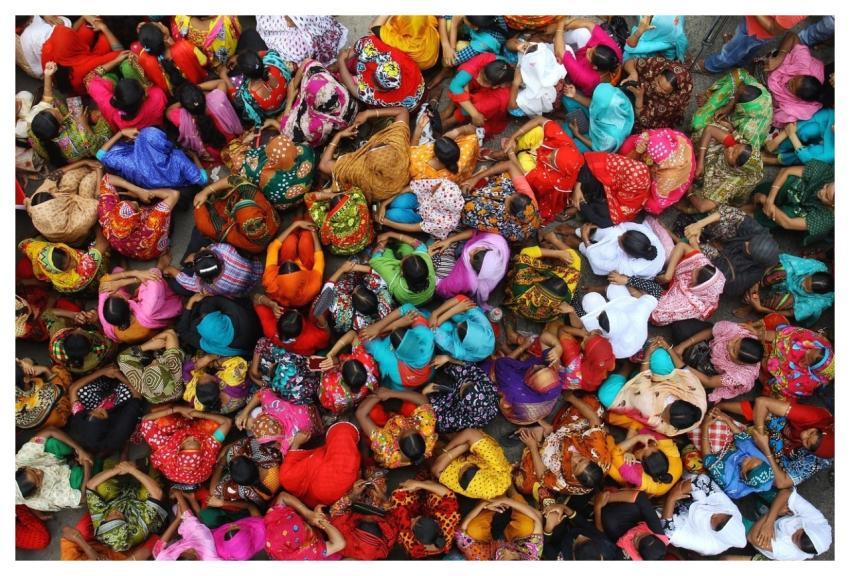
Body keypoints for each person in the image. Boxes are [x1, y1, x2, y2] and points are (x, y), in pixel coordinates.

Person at [515, 393, 612, 496]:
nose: (574, 459)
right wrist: (571, 398)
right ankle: (547, 432)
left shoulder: (565, 483)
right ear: (591, 459)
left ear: (573, 476)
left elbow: (542, 475)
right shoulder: (597, 453)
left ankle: (544, 436)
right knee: (591, 403)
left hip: (555, 456)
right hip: (574, 433)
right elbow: (593, 419)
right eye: (581, 460)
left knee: (525, 485)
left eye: (574, 466)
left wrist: (533, 447)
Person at [601, 347, 707, 437]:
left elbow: (642, 381)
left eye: (665, 417)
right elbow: (685, 372)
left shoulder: (650, 412)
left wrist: (647, 356)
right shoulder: (698, 400)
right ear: (678, 401)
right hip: (666, 380)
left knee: (605, 396)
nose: (662, 414)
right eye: (667, 409)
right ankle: (638, 369)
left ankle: (628, 367)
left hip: (639, 393)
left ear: (672, 425)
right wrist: (669, 348)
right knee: (659, 355)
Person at [678, 205, 780, 297]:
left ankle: (686, 244)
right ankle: (700, 232)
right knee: (727, 219)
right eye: (750, 242)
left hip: (718, 264)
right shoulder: (760, 235)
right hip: (725, 244)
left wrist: (693, 241)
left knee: (705, 264)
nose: (746, 243)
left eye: (749, 247)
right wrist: (699, 225)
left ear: (753, 258)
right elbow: (733, 212)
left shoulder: (749, 275)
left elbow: (712, 275)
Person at [319, 106, 411, 202]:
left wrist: (339, 135)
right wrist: (368, 113)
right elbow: (403, 111)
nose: (373, 143)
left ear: (368, 162)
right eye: (381, 144)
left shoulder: (360, 173)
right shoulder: (398, 148)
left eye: (371, 148)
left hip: (354, 154)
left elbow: (323, 164)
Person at [29, 64, 112, 166]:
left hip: (65, 140)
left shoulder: (35, 129)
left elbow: (47, 98)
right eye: (57, 113)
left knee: (63, 104)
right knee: (99, 115)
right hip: (87, 141)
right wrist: (84, 124)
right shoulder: (81, 139)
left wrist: (47, 75)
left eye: (50, 109)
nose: (55, 109)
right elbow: (100, 145)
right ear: (61, 128)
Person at [700, 410, 793, 499]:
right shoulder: (764, 466)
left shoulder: (727, 478)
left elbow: (708, 459)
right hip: (730, 449)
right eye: (754, 458)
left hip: (718, 459)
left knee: (697, 453)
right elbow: (744, 440)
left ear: (743, 475)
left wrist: (705, 426)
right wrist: (726, 419)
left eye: (747, 463)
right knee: (723, 422)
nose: (748, 458)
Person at [508, 116, 583, 224]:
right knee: (538, 130)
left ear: (558, 169)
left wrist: (511, 154)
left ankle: (510, 150)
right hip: (539, 153)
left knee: (524, 166)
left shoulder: (552, 180)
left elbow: (523, 174)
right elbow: (540, 119)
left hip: (536, 167)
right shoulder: (566, 144)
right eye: (553, 153)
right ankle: (512, 145)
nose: (548, 157)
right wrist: (512, 138)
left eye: (551, 161)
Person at [670, 320, 763, 402]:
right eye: (736, 341)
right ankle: (688, 361)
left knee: (695, 400)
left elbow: (709, 381)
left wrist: (681, 365)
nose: (730, 344)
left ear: (740, 363)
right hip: (710, 346)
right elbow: (711, 332)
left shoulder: (742, 375)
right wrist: (682, 346)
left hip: (713, 374)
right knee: (679, 327)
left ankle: (688, 366)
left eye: (733, 351)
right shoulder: (741, 331)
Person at [140, 406, 230, 489]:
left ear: (180, 447)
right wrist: (198, 414)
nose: (191, 437)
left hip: (174, 467)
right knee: (214, 425)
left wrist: (177, 409)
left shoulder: (165, 449)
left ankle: (174, 408)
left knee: (163, 421)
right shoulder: (209, 449)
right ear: (202, 448)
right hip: (197, 475)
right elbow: (227, 422)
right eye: (195, 441)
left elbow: (146, 420)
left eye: (188, 441)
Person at [85, 461, 168, 552]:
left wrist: (117, 469)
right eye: (118, 516)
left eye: (110, 516)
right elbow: (157, 493)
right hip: (141, 506)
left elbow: (90, 485)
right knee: (148, 492)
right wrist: (132, 470)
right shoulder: (138, 529)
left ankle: (118, 461)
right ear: (126, 524)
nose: (114, 512)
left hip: (120, 499)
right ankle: (154, 463)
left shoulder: (100, 524)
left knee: (101, 487)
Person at [96, 127, 209, 193]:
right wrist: (194, 157)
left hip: (151, 187)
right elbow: (203, 180)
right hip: (178, 187)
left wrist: (121, 132)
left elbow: (100, 154)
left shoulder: (129, 163)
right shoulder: (178, 158)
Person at [223, 130, 316, 211]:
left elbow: (245, 168)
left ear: (272, 161)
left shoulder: (267, 177)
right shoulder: (306, 150)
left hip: (280, 205)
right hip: (300, 197)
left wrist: (245, 144)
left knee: (231, 156)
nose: (270, 138)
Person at [276, 58, 358, 148]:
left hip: (321, 118)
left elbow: (287, 133)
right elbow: (309, 63)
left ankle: (295, 91)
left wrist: (290, 99)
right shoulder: (345, 94)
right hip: (331, 107)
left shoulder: (312, 126)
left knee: (284, 123)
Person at [279, 422, 362, 508]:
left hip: (308, 498)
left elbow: (285, 477)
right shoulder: (352, 469)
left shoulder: (316, 462)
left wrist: (296, 443)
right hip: (319, 505)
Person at [751, 161, 834, 247]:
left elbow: (788, 223)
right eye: (827, 186)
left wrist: (764, 201)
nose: (822, 191)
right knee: (791, 179)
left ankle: (755, 216)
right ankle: (759, 200)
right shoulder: (827, 174)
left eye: (826, 196)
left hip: (799, 213)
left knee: (786, 215)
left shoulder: (827, 219)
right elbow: (787, 171)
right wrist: (770, 199)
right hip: (797, 193)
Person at [66, 365, 144, 456]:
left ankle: (107, 380)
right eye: (101, 414)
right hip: (120, 411)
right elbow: (137, 395)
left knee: (81, 391)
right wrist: (120, 376)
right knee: (128, 392)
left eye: (91, 412)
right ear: (106, 424)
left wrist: (103, 371)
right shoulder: (120, 430)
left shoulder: (81, 421)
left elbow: (73, 389)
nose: (98, 409)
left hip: (105, 398)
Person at [96, 175, 178, 261]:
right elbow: (174, 194)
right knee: (170, 200)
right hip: (151, 247)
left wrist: (138, 191)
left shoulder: (107, 215)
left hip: (129, 250)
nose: (134, 202)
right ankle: (164, 251)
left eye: (128, 202)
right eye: (136, 208)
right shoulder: (151, 228)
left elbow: (107, 178)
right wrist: (146, 192)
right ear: (137, 223)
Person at [661, 475, 747, 556]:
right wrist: (679, 491)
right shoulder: (733, 512)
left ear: (715, 533)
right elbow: (703, 480)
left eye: (715, 522)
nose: (715, 515)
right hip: (695, 502)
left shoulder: (709, 546)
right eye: (723, 515)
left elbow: (669, 533)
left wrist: (671, 499)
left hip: (682, 521)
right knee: (692, 475)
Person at [685, 124, 763, 213]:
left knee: (707, 203)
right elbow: (710, 129)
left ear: (735, 166)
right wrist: (700, 162)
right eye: (735, 147)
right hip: (718, 163)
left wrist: (690, 193)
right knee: (708, 137)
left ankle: (685, 207)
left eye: (732, 153)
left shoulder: (731, 184)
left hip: (727, 180)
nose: (730, 148)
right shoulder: (737, 147)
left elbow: (703, 207)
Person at [459, 158, 541, 243]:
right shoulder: (529, 202)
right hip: (510, 214)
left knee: (470, 208)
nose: (507, 197)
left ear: (508, 212)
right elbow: (510, 165)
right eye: (512, 195)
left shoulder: (506, 227)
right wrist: (476, 178)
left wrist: (464, 196)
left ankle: (468, 197)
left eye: (508, 200)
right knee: (504, 170)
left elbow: (478, 227)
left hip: (499, 219)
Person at [356, 387, 437, 469]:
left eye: (403, 430)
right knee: (411, 405)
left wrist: (379, 395)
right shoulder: (427, 432)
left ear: (397, 443)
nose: (405, 426)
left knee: (373, 413)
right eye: (411, 428)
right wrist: (390, 393)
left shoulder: (386, 447)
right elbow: (423, 400)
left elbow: (360, 414)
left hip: (383, 429)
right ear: (422, 435)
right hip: (399, 419)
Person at [744, 253, 834, 326]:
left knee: (785, 301)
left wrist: (760, 308)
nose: (802, 284)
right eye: (806, 280)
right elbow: (780, 259)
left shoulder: (815, 304)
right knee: (780, 271)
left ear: (814, 293)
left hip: (795, 298)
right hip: (790, 280)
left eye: (806, 287)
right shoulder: (815, 266)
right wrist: (757, 280)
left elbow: (790, 313)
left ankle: (755, 304)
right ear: (812, 274)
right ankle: (759, 283)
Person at [691, 69, 773, 149]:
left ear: (741, 107)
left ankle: (712, 104)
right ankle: (709, 97)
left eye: (737, 99)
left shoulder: (749, 129)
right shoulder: (762, 93)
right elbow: (741, 77)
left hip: (735, 133)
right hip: (736, 111)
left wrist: (729, 127)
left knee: (697, 123)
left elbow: (741, 148)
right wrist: (730, 105)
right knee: (738, 75)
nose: (735, 97)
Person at [338, 35, 425, 110]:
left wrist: (341, 61)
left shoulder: (381, 97)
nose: (375, 87)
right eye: (375, 79)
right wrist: (349, 55)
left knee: (351, 70)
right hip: (420, 90)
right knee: (358, 59)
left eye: (379, 87)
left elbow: (352, 87)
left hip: (410, 106)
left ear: (392, 89)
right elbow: (363, 43)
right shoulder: (404, 61)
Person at [166, 83, 243, 167]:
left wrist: (187, 101)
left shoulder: (181, 118)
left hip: (214, 158)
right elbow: (220, 82)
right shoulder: (217, 100)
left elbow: (168, 110)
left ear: (184, 107)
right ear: (203, 96)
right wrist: (197, 91)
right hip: (233, 145)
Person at [38, 17, 123, 94]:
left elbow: (68, 33)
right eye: (73, 35)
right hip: (80, 78)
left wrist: (84, 17)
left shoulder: (48, 49)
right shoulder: (80, 69)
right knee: (105, 40)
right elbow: (120, 53)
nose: (73, 33)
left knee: (87, 27)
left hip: (71, 59)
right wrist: (104, 28)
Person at [15, 426, 92, 512]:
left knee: (52, 443)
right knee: (77, 478)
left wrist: (80, 449)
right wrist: (86, 463)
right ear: (37, 487)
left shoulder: (22, 459)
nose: (39, 471)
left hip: (54, 460)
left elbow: (50, 431)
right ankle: (94, 462)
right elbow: (82, 499)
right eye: (38, 478)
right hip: (64, 481)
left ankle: (74, 452)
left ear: (23, 467)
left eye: (33, 470)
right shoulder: (46, 498)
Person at [621, 128, 695, 215]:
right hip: (657, 160)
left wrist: (647, 174)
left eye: (656, 163)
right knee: (628, 144)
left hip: (665, 184)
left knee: (652, 205)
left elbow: (658, 192)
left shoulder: (669, 175)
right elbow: (648, 135)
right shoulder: (666, 137)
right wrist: (639, 148)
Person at [360, 304, 435, 390]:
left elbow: (364, 338)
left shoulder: (392, 364)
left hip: (403, 385)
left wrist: (381, 327)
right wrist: (380, 327)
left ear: (397, 353)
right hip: (430, 372)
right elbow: (409, 307)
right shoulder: (426, 337)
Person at [97, 267, 181, 344]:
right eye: (118, 296)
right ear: (127, 303)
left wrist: (122, 280)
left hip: (143, 329)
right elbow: (154, 273)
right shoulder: (149, 308)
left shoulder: (107, 321)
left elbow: (103, 281)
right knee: (152, 277)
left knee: (115, 274)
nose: (116, 293)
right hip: (170, 306)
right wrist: (128, 280)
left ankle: (124, 268)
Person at [24, 161, 100, 245]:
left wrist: (84, 162)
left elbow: (52, 177)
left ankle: (93, 166)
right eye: (54, 197)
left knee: (69, 178)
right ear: (58, 207)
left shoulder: (37, 203)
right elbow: (96, 206)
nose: (55, 194)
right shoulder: (72, 227)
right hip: (79, 213)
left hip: (65, 203)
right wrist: (98, 184)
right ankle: (99, 170)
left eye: (52, 195)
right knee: (87, 183)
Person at [651, 240, 726, 326]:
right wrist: (669, 275)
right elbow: (682, 245)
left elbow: (656, 316)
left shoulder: (689, 304)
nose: (696, 267)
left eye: (696, 272)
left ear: (697, 286)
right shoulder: (703, 266)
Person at [748, 487, 832, 560]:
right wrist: (770, 521)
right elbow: (786, 493)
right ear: (805, 529)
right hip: (779, 518)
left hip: (762, 534)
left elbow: (752, 538)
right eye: (797, 536)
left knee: (744, 529)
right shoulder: (815, 520)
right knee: (772, 491)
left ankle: (760, 512)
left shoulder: (791, 553)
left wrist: (771, 517)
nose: (793, 539)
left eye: (797, 544)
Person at [579, 282, 659, 359]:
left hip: (625, 346)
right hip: (626, 306)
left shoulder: (612, 346)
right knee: (616, 286)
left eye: (599, 318)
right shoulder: (639, 312)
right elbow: (657, 291)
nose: (596, 317)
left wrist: (593, 335)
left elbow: (593, 344)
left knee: (590, 299)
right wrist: (627, 281)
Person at [700, 16, 806, 73]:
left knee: (730, 53)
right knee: (746, 49)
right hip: (754, 28)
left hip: (754, 31)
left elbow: (773, 28)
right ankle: (740, 61)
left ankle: (710, 66)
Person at [504, 244, 581, 322]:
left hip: (521, 299)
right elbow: (576, 260)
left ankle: (550, 243)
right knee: (574, 262)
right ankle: (551, 247)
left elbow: (525, 253)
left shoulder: (522, 286)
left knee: (524, 260)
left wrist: (557, 253)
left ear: (540, 281)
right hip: (538, 317)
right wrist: (572, 311)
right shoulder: (564, 301)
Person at [572, 151, 650, 227]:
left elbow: (605, 222)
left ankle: (578, 206)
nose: (627, 189)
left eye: (629, 187)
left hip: (610, 200)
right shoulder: (621, 165)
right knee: (585, 173)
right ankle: (578, 201)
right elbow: (588, 159)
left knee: (603, 214)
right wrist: (577, 188)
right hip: (606, 185)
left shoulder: (637, 195)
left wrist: (582, 205)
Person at [455, 495, 545, 560]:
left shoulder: (480, 558)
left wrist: (483, 504)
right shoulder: (531, 556)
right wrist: (506, 500)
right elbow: (537, 518)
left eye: (503, 556)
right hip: (517, 539)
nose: (510, 551)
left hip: (487, 546)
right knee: (526, 526)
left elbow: (461, 532)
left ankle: (493, 496)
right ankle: (510, 490)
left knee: (474, 530)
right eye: (515, 557)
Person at [435, 230, 510, 308]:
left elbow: (440, 288)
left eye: (472, 258)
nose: (470, 252)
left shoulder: (465, 281)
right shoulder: (495, 240)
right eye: (476, 250)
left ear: (475, 270)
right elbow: (474, 232)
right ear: (487, 249)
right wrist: (449, 240)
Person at [18, 231, 110, 295]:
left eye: (70, 258)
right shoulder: (77, 277)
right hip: (95, 281)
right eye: (68, 266)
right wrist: (98, 221)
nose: (73, 263)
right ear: (57, 272)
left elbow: (26, 246)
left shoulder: (44, 252)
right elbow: (103, 243)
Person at [432, 428, 512, 499]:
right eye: (466, 466)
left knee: (436, 458)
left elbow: (435, 470)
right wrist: (446, 451)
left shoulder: (461, 484)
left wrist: (460, 449)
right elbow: (470, 433)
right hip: (490, 462)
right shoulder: (496, 464)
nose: (463, 463)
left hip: (467, 457)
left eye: (461, 469)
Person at [763, 319, 834, 400]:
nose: (808, 351)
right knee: (776, 320)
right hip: (776, 346)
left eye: (810, 357)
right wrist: (759, 334)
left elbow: (777, 381)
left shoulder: (802, 382)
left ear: (808, 365)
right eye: (814, 349)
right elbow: (782, 336)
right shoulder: (816, 341)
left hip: (779, 375)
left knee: (767, 372)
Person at [132, 21, 208, 96]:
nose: (160, 22)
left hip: (173, 97)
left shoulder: (143, 59)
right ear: (165, 36)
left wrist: (145, 35)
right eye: (160, 25)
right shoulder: (185, 46)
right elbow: (204, 62)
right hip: (199, 87)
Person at [264, 491, 346, 560]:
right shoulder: (304, 555)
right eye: (305, 529)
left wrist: (308, 514)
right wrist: (320, 521)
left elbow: (283, 496)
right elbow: (339, 543)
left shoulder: (272, 522)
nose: (306, 524)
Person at [388, 479, 459, 559]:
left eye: (412, 523)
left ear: (416, 539)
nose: (411, 519)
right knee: (436, 495)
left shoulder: (412, 544)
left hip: (420, 510)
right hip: (428, 508)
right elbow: (448, 494)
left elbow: (397, 524)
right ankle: (423, 484)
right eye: (417, 519)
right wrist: (418, 484)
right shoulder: (447, 522)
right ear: (435, 521)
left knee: (397, 495)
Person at [765, 33, 824, 128]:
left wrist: (772, 102)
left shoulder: (792, 109)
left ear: (798, 97)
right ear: (804, 75)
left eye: (791, 86)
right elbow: (792, 36)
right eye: (795, 77)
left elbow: (772, 117)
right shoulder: (803, 66)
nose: (789, 80)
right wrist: (780, 57)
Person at [445, 52, 513, 135]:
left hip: (494, 96)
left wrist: (474, 112)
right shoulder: (486, 59)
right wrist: (475, 114)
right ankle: (449, 110)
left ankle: (451, 121)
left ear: (495, 86)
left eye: (484, 81)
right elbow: (455, 85)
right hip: (490, 83)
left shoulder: (501, 94)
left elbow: (475, 110)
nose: (478, 78)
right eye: (481, 73)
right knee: (463, 82)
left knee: (476, 106)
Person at [166, 241, 263, 298]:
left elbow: (190, 283)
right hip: (254, 272)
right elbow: (210, 247)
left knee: (177, 286)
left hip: (240, 291)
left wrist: (171, 270)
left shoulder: (211, 286)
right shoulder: (224, 249)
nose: (202, 248)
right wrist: (196, 258)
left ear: (206, 279)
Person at [262, 220, 324, 308]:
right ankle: (306, 221)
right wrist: (314, 233)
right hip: (306, 266)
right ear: (301, 274)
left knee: (290, 240)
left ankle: (298, 221)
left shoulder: (270, 281)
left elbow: (273, 247)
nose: (290, 260)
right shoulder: (313, 287)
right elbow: (319, 259)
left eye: (287, 262)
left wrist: (295, 224)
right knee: (306, 237)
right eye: (293, 264)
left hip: (293, 264)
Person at [554, 18, 622, 97]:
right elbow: (589, 24)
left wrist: (560, 25)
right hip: (582, 58)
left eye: (589, 54)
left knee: (564, 49)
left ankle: (554, 40)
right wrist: (563, 26)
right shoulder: (613, 50)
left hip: (577, 69)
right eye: (594, 47)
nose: (589, 49)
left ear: (594, 67)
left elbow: (560, 52)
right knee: (584, 33)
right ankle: (557, 36)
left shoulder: (587, 78)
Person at [175, 294, 261, 357]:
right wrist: (198, 300)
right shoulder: (236, 312)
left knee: (192, 326)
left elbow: (183, 331)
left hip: (252, 344)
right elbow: (213, 300)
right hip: (254, 326)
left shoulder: (215, 346)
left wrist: (190, 303)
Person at [593, 489, 669, 560]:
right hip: (633, 520)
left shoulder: (627, 558)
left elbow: (601, 537)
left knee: (609, 520)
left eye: (637, 538)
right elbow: (641, 497)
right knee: (633, 504)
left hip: (617, 534)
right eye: (644, 534)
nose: (638, 533)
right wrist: (607, 497)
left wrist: (597, 507)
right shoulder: (659, 535)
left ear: (637, 551)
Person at [316, 331, 380, 414]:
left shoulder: (329, 383)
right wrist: (332, 354)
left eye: (343, 364)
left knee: (321, 355)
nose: (343, 362)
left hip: (336, 402)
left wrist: (334, 359)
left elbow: (323, 400)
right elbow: (353, 334)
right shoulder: (367, 362)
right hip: (355, 400)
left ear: (341, 375)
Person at [621, 56, 692, 131]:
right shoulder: (656, 65)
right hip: (637, 91)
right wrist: (633, 73)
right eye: (658, 82)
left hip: (645, 108)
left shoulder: (672, 102)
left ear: (673, 92)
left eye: (664, 90)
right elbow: (630, 62)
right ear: (659, 74)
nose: (657, 89)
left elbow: (644, 120)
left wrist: (639, 98)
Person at [425, 362, 499, 433]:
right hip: (461, 390)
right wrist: (448, 359)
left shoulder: (459, 419)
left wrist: (424, 393)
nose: (462, 385)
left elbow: (434, 419)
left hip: (450, 407)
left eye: (462, 390)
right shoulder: (485, 384)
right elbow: (467, 366)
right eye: (468, 384)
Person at [575, 221, 665, 278]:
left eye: (620, 241)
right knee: (614, 231)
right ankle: (579, 232)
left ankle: (579, 244)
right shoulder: (645, 233)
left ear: (627, 253)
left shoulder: (630, 267)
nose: (619, 237)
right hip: (633, 253)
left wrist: (585, 239)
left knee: (606, 253)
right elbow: (621, 227)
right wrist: (596, 228)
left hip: (630, 267)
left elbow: (600, 263)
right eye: (624, 234)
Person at [321, 262, 393, 334]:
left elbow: (325, 293)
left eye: (354, 292)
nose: (356, 288)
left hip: (348, 320)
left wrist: (342, 269)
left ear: (352, 303)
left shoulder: (342, 309)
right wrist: (356, 267)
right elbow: (374, 272)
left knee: (337, 288)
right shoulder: (385, 301)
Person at [117, 329, 184, 404]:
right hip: (176, 393)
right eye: (156, 363)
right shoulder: (174, 368)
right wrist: (153, 341)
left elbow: (122, 358)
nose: (154, 361)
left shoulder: (139, 382)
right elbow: (170, 333)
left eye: (151, 365)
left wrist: (146, 346)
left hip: (157, 399)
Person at [563, 84, 635, 154]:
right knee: (567, 97)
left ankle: (567, 122)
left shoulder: (611, 139)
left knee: (568, 148)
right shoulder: (616, 98)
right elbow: (595, 105)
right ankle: (566, 119)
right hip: (597, 119)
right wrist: (575, 96)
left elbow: (598, 149)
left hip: (595, 140)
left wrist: (577, 134)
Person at [369, 232, 436, 306]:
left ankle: (389, 248)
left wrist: (383, 243)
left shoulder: (395, 282)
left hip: (409, 303)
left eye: (402, 261)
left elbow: (375, 259)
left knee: (386, 254)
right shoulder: (427, 262)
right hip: (426, 298)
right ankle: (396, 246)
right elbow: (419, 245)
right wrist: (390, 234)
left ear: (401, 273)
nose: (406, 256)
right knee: (407, 249)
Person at [252, 293, 330, 356]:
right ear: (302, 329)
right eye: (296, 312)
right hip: (308, 348)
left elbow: (255, 298)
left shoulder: (269, 329)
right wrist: (323, 322)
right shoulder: (311, 338)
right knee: (321, 301)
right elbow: (326, 341)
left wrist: (271, 304)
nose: (295, 309)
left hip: (296, 350)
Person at [607, 433, 682, 497]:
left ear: (640, 463)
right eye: (650, 446)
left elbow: (615, 453)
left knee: (609, 463)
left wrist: (637, 438)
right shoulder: (671, 453)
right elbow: (639, 427)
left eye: (643, 449)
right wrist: (629, 451)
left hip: (637, 485)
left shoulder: (636, 475)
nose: (646, 445)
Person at [306, 187, 374, 256]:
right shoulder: (361, 208)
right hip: (366, 241)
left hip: (343, 251)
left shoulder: (327, 222)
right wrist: (340, 194)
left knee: (323, 231)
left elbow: (308, 197)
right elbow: (355, 189)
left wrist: (331, 195)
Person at [43, 310, 115, 374]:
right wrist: (96, 321)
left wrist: (74, 315)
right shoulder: (98, 349)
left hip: (71, 369)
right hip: (95, 366)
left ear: (64, 340)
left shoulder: (57, 343)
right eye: (83, 332)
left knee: (62, 320)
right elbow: (112, 338)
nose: (79, 328)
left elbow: (46, 313)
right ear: (92, 343)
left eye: (75, 331)